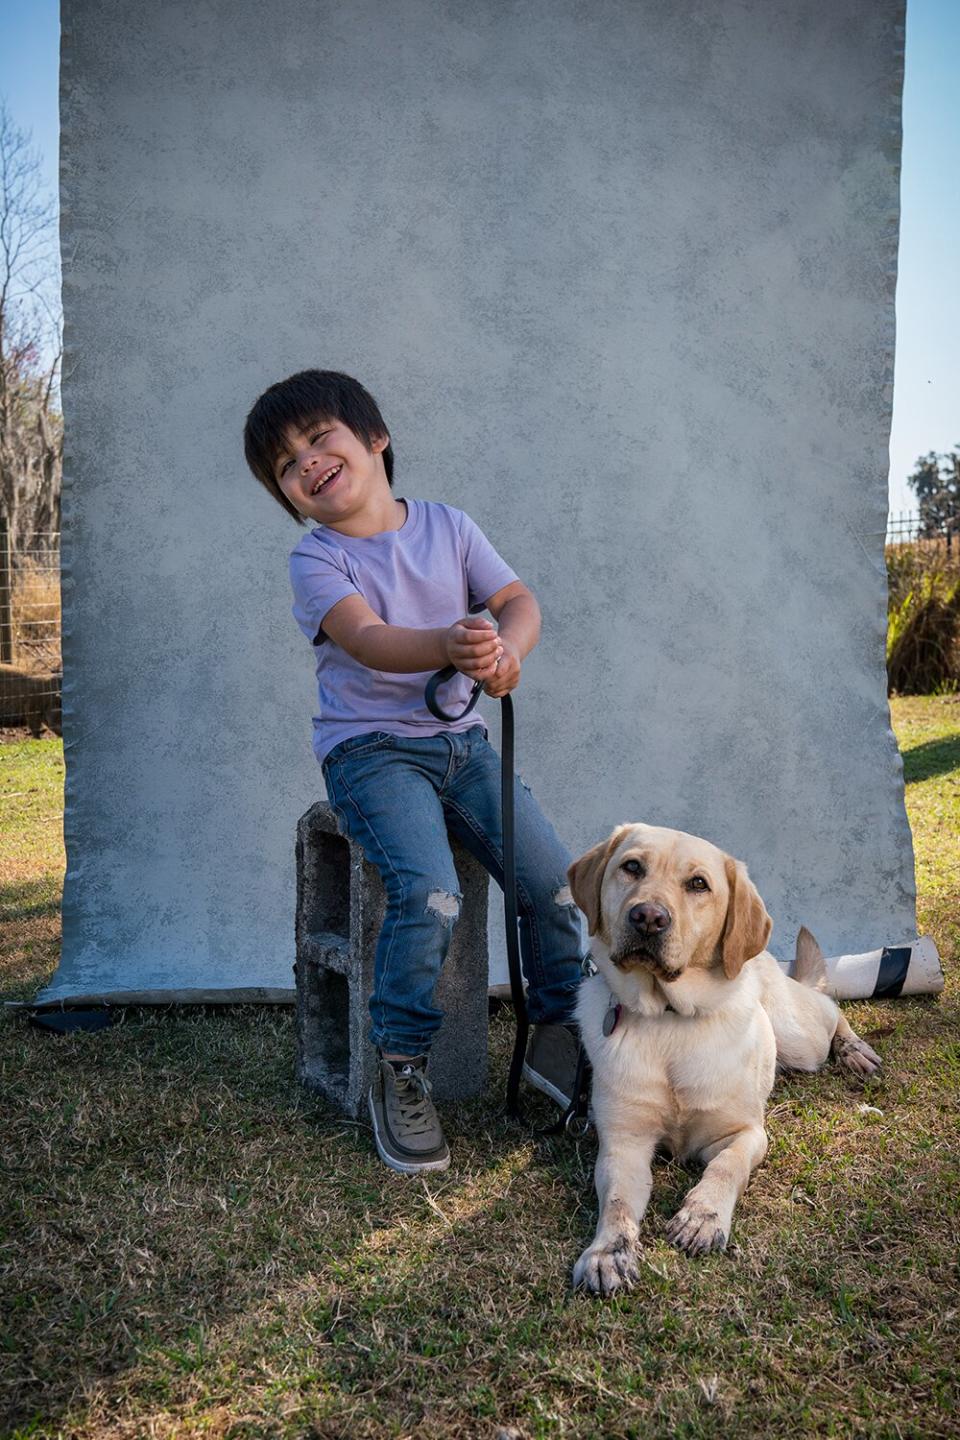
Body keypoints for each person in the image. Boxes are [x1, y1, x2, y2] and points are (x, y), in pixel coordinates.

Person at [243, 370, 583, 1173]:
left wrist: (505, 652)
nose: (309, 462)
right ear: (289, 497)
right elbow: (368, 640)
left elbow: (518, 601)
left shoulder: (450, 527)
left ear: (374, 438)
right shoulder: (316, 559)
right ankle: (400, 1066)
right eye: (287, 465)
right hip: (370, 753)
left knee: (558, 885)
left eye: (320, 438)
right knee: (431, 892)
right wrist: (450, 644)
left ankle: (562, 1037)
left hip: (462, 745)